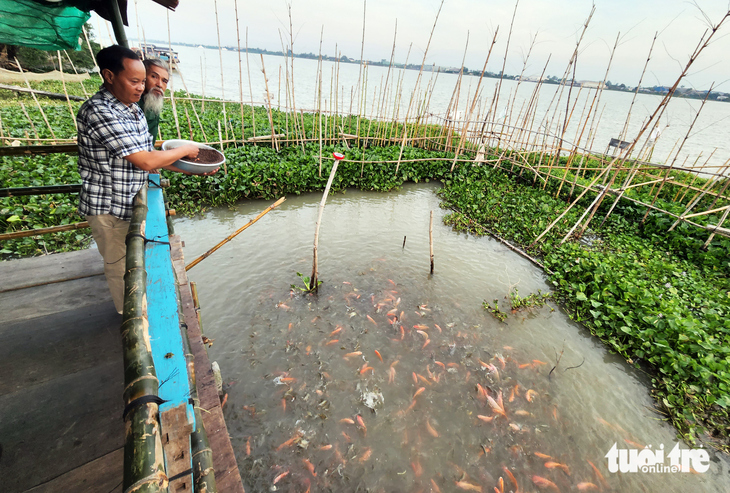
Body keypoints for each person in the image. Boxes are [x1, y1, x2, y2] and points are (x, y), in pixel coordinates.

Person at [77, 45, 215, 314]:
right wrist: (185, 149)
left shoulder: (132, 109)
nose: (142, 88)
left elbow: (149, 155)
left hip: (130, 201)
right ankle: (132, 319)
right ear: (109, 76)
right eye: (135, 81)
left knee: (134, 261)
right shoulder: (99, 111)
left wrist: (188, 168)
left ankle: (140, 309)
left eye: (143, 81)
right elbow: (144, 161)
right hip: (108, 208)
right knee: (119, 266)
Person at [138, 57, 169, 139]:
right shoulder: (131, 103)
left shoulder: (153, 102)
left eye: (164, 81)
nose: (159, 84)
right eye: (154, 77)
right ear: (143, 77)